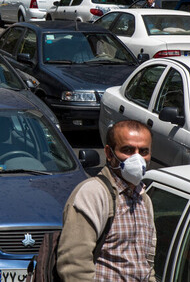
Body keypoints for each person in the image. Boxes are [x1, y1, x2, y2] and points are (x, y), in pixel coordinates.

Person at [57, 120, 156, 281]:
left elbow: (146, 264)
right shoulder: (93, 194)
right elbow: (74, 265)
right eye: (128, 150)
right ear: (109, 154)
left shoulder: (144, 199)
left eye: (143, 151)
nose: (137, 159)